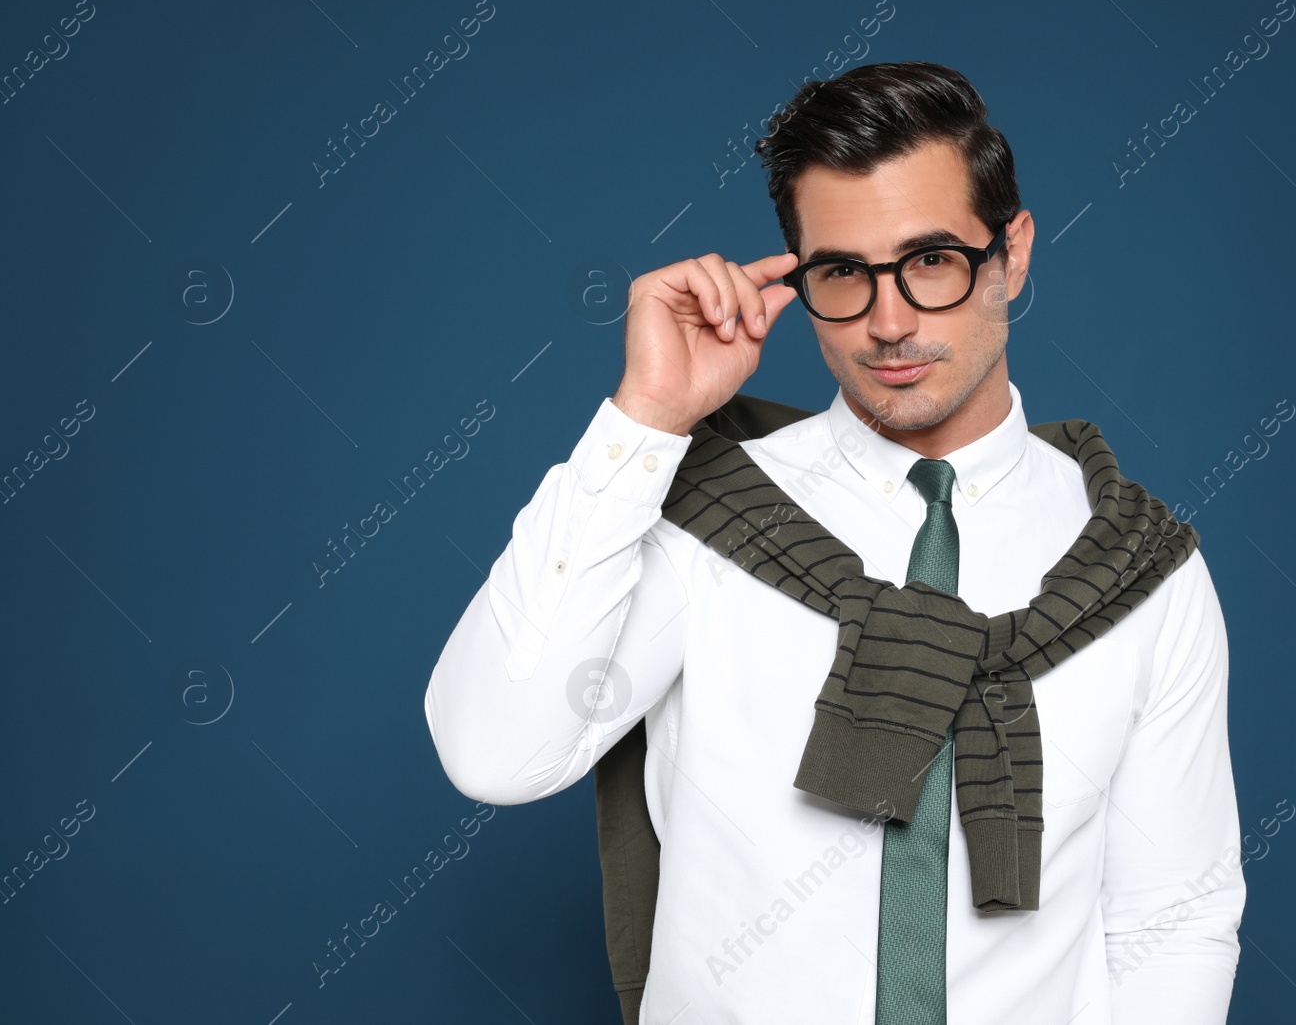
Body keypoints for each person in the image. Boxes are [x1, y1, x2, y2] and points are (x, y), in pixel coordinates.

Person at [424, 60, 1245, 1024]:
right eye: (843, 274)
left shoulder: (1136, 568)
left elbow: (1170, 920)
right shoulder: (706, 515)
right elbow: (494, 752)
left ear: (1012, 254)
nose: (888, 324)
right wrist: (644, 420)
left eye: (931, 260)